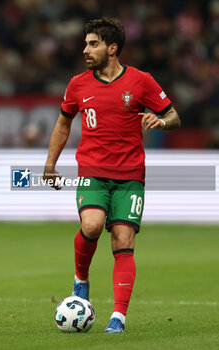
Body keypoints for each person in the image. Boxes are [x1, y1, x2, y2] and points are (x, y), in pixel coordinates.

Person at [44, 18, 181, 333]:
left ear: (112, 48)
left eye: (93, 44)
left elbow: (174, 116)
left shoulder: (141, 81)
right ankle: (81, 279)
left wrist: (162, 123)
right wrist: (50, 165)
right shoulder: (77, 84)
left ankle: (118, 317)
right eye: (86, 43)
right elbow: (63, 124)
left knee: (123, 239)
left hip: (130, 175)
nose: (85, 50)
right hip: (92, 170)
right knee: (91, 225)